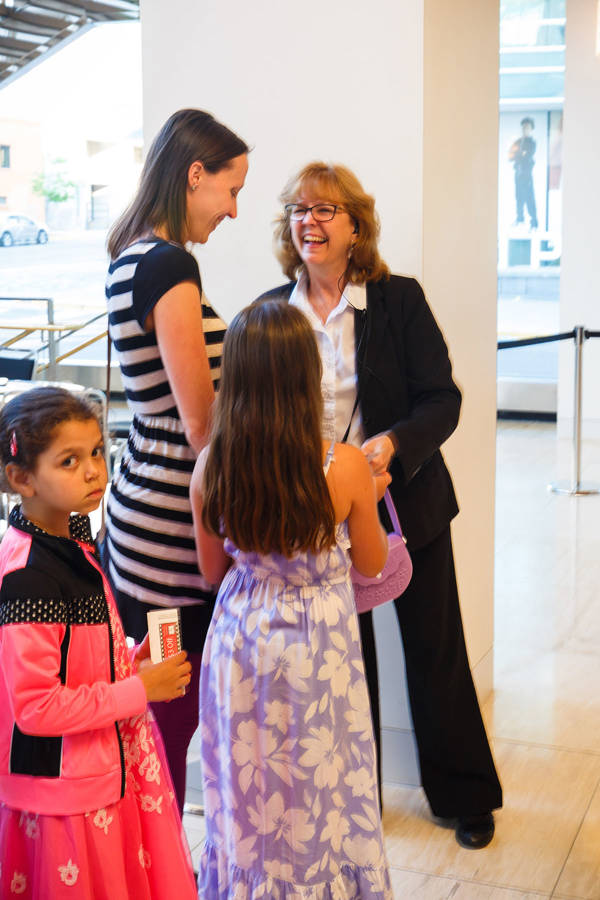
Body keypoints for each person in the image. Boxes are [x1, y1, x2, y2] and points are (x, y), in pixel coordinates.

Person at [257, 161, 503, 850]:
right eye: (298, 211)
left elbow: (442, 400)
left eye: (325, 210)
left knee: (436, 652)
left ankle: (464, 796)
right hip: (315, 519)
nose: (309, 221)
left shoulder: (398, 300)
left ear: (356, 224)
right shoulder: (272, 315)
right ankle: (351, 795)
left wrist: (392, 446)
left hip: (406, 505)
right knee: (341, 663)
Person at [190, 300, 393, 898]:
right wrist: (371, 498)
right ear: (309, 377)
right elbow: (374, 563)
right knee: (320, 783)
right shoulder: (345, 465)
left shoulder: (211, 465)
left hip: (241, 635)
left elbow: (209, 569)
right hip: (316, 645)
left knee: (248, 785)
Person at [104, 108, 249, 813]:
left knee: (155, 721)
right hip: (171, 523)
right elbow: (200, 425)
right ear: (195, 175)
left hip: (139, 514)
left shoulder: (130, 255)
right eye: (230, 189)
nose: (233, 209)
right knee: (170, 721)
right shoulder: (169, 264)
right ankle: (160, 872)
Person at [0, 386, 196, 900]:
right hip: (63, 792)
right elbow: (36, 708)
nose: (93, 470)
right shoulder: (29, 577)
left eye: (94, 453)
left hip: (97, 773)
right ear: (21, 478)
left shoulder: (72, 541)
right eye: (69, 461)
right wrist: (138, 691)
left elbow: (77, 662)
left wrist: (131, 662)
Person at [508, 116, 538, 230]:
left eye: (527, 127)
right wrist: (519, 154)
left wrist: (520, 155)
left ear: (531, 129)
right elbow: (511, 156)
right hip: (518, 173)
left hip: (527, 174)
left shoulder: (532, 143)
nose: (525, 129)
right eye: (524, 127)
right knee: (519, 197)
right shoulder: (518, 142)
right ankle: (520, 218)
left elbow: (527, 155)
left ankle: (534, 222)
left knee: (529, 197)